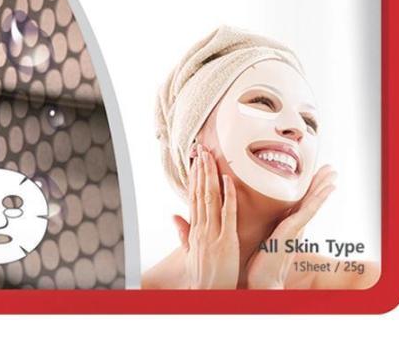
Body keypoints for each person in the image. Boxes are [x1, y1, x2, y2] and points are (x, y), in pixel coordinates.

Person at [143, 26, 379, 290]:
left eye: (309, 121)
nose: (297, 128)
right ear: (192, 142)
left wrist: (268, 289)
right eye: (263, 102)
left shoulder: (367, 284)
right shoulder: (133, 292)